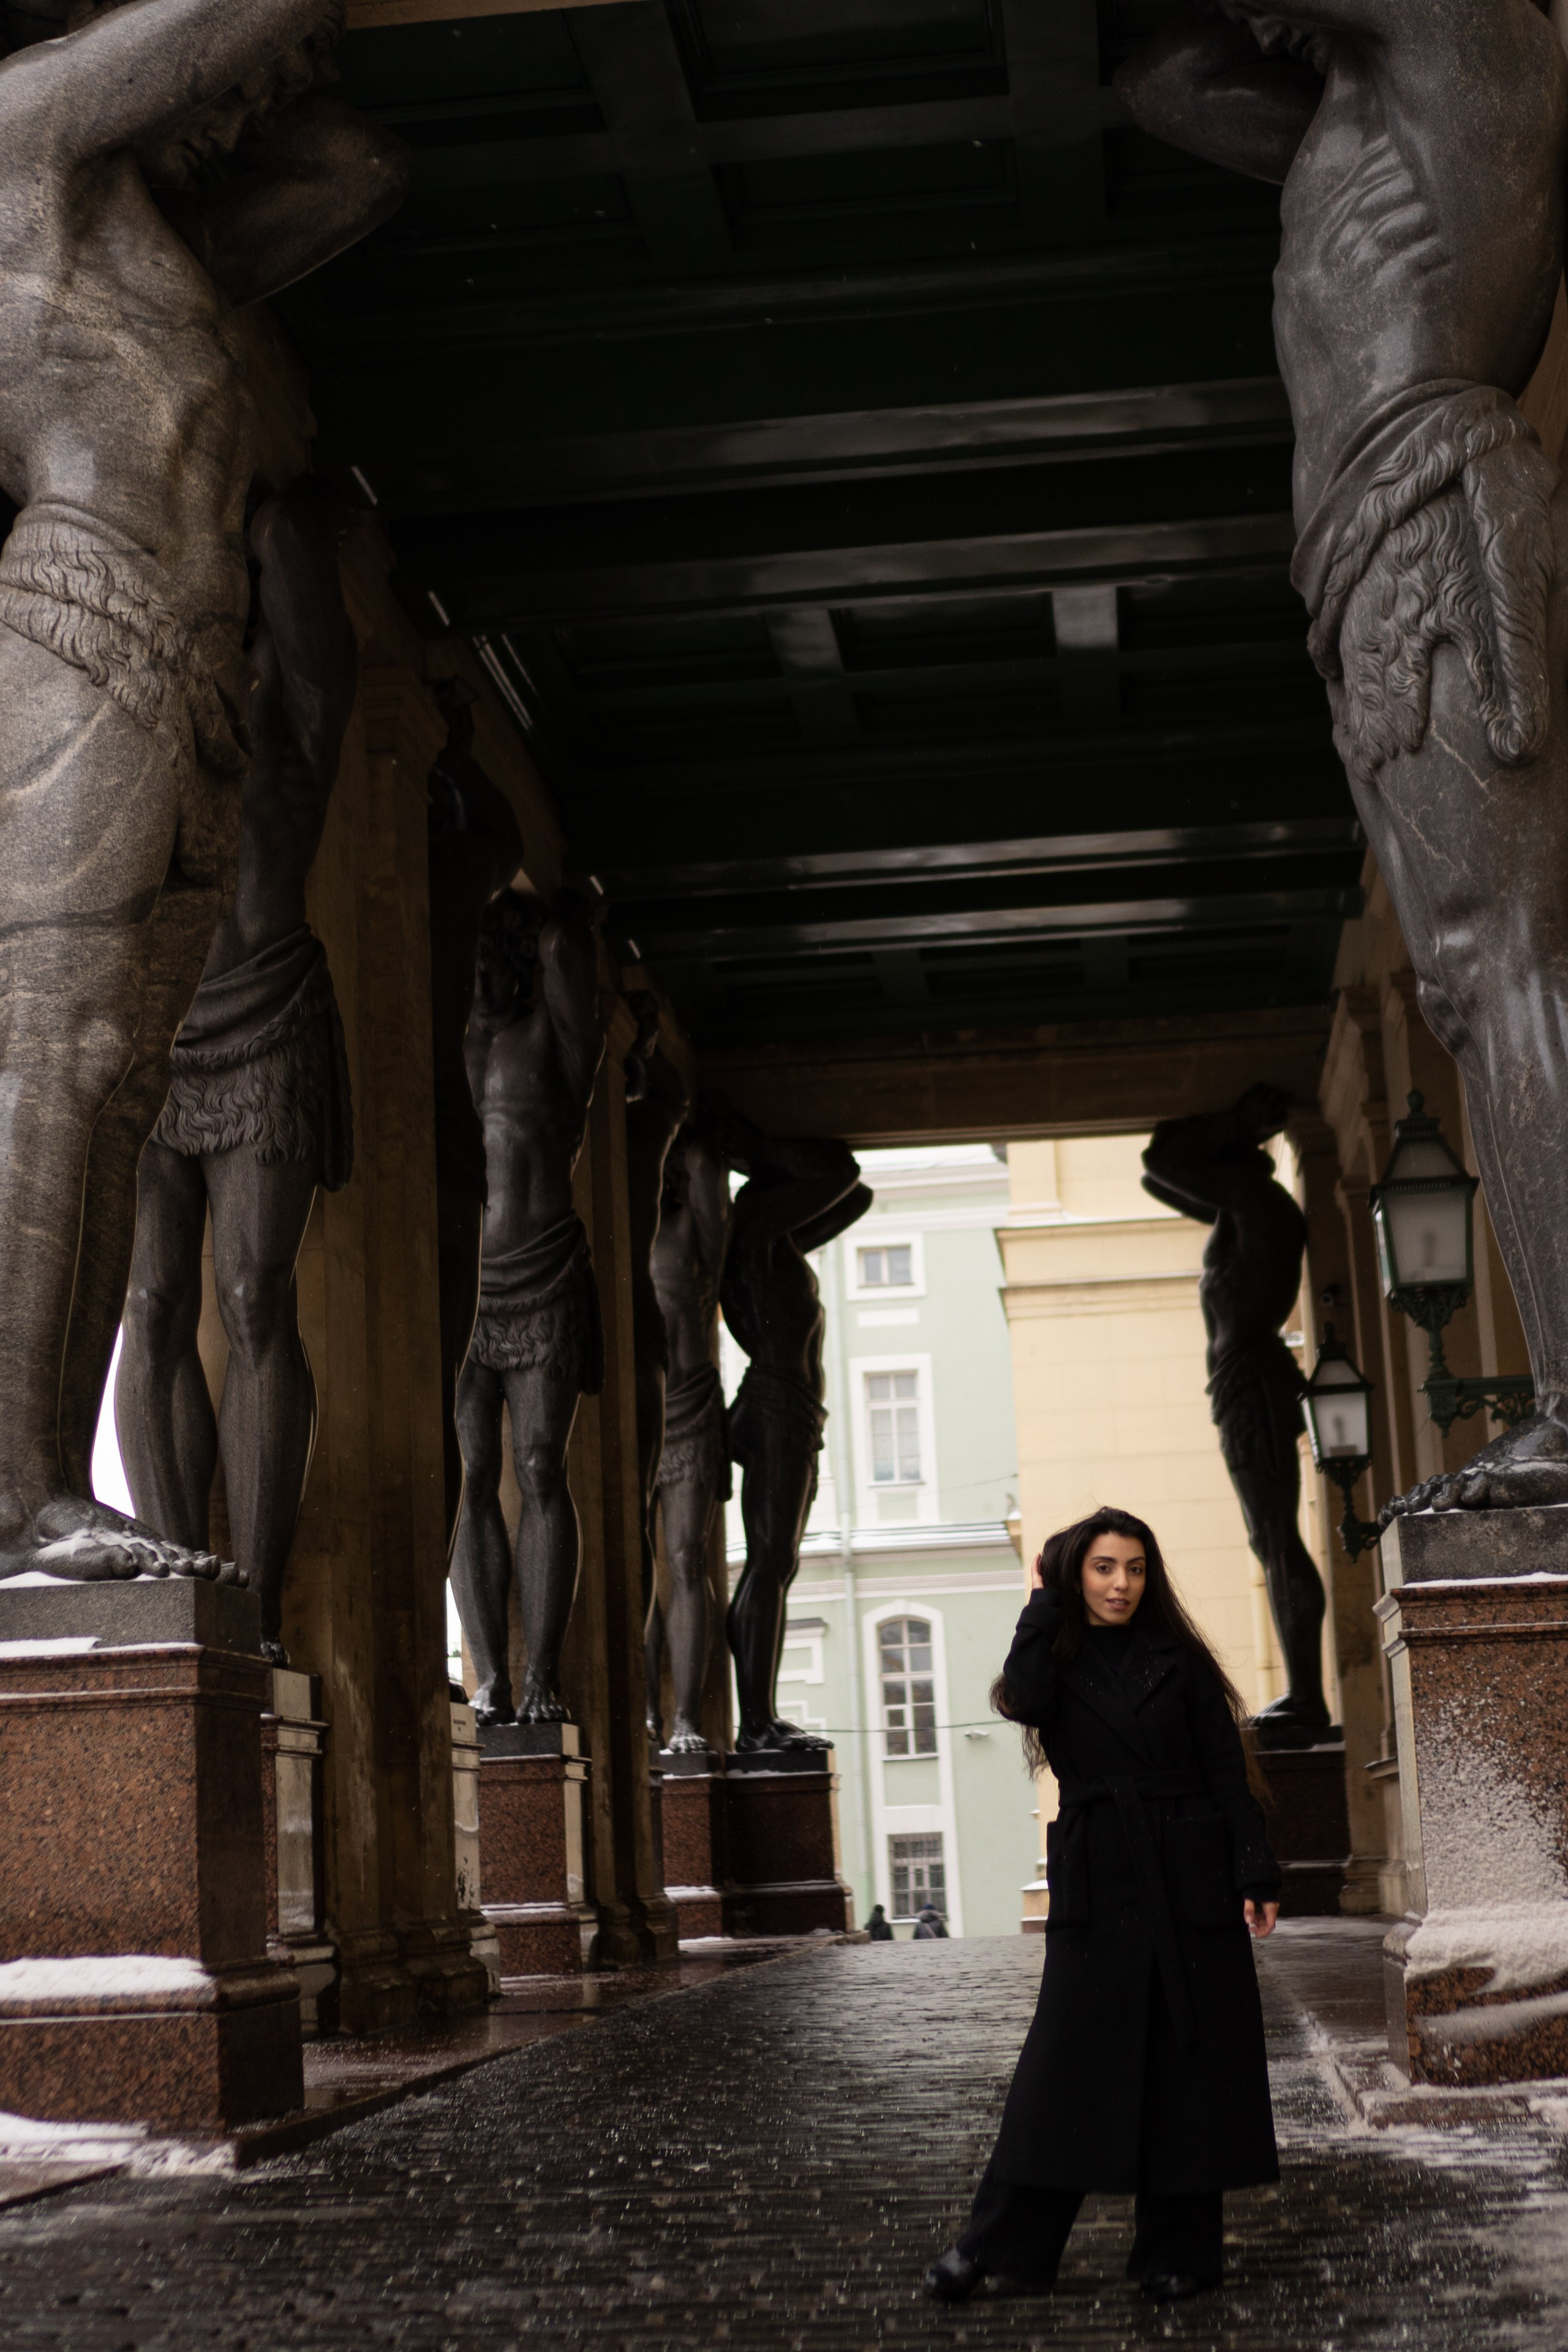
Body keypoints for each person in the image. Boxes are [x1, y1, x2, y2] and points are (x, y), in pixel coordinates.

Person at [1115, 1, 1568, 1515]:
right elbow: (1163, 70)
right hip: (1369, 551)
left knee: (1503, 961)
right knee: (1460, 975)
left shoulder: (1479, 38)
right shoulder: (1348, 119)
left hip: (1428, 505)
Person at [0, 0, 405, 1580]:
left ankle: (42, 1492)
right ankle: (11, 1489)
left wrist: (247, 104)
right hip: (76, 637)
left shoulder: (147, 256)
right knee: (50, 1048)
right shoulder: (20, 139)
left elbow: (355, 165)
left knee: (117, 1069)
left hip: (190, 667)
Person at [925, 1507, 1281, 2307]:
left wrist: (1254, 1868)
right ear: (1075, 1573)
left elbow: (1228, 1769)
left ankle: (1178, 2252)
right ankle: (998, 2246)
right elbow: (1021, 1699)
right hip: (1100, 1874)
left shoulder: (1180, 1660)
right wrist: (1043, 1604)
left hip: (1190, 1873)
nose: (1122, 1584)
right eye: (1104, 1568)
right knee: (1065, 2068)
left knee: (1189, 2062)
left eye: (1135, 1569)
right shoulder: (1052, 1658)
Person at [118, 478, 358, 1661]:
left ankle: (254, 1609)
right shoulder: (140, 704)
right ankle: (178, 1594)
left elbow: (302, 580)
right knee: (146, 1308)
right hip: (153, 1037)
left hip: (265, 1022)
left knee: (255, 1298)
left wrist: (244, 498)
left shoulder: (295, 711)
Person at [450, 888, 605, 1724]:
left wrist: (554, 916)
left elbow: (568, 962)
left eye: (486, 959)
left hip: (541, 1273)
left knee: (540, 1467)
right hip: (465, 1288)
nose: (475, 974)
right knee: (470, 1476)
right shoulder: (449, 1047)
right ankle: (490, 1676)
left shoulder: (553, 1041)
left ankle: (541, 1670)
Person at [1142, 1085, 1329, 1743]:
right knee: (1269, 1539)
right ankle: (1305, 1694)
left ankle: (1308, 1696)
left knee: (1278, 1538)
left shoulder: (1257, 1204)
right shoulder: (1238, 1211)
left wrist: (1234, 1119)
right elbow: (1155, 1171)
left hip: (1254, 1384)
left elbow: (1163, 1159)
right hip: (1240, 1386)